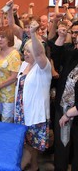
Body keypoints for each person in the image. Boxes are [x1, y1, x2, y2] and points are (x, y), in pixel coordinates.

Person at [14, 20, 52, 170]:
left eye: (29, 51)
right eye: (24, 50)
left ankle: (30, 166)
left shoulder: (44, 67)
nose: (25, 53)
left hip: (35, 113)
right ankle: (32, 166)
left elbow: (39, 53)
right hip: (21, 111)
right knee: (25, 143)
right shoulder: (24, 65)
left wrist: (33, 34)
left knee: (32, 145)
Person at [52, 21, 78, 171]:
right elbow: (55, 57)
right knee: (62, 147)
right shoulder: (69, 50)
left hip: (74, 111)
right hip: (63, 108)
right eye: (73, 33)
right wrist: (61, 37)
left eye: (77, 33)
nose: (75, 36)